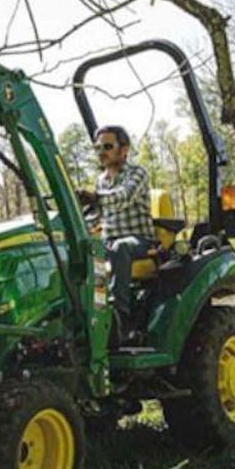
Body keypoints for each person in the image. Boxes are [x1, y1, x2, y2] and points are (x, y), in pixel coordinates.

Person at [77, 125, 154, 343]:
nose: (102, 151)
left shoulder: (137, 174)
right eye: (98, 147)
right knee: (85, 249)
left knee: (120, 247)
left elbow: (124, 197)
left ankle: (122, 321)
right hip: (108, 240)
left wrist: (94, 197)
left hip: (139, 241)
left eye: (108, 146)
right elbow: (97, 214)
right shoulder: (101, 180)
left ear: (124, 150)